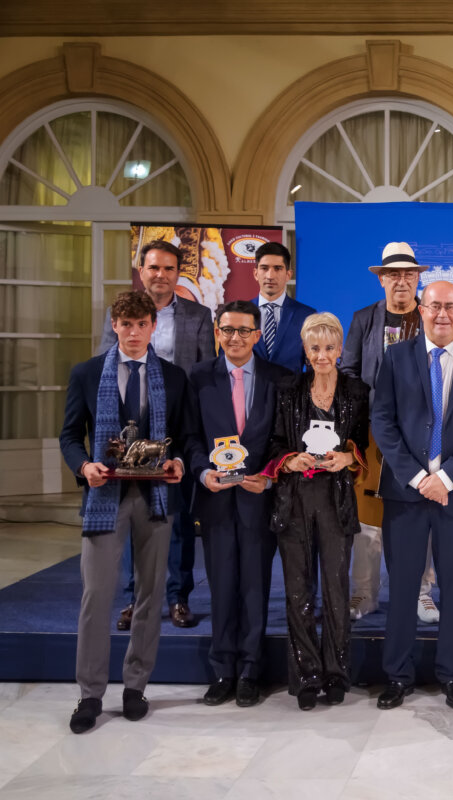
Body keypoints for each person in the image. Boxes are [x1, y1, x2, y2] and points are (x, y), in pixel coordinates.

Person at [59, 291, 192, 734]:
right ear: (113, 326)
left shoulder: (173, 378)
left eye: (141, 325)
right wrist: (83, 464)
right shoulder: (86, 373)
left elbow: (185, 437)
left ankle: (136, 686)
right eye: (125, 324)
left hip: (155, 498)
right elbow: (69, 436)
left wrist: (178, 464)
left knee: (151, 595)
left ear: (154, 327)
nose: (133, 333)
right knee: (97, 596)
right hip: (104, 497)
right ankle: (90, 694)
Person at [372, 282, 453, 711]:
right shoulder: (395, 357)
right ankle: (398, 675)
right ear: (420, 310)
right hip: (406, 494)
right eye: (434, 306)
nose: (442, 313)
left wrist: (447, 478)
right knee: (404, 587)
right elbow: (383, 421)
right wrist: (416, 476)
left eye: (451, 306)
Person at [101, 240, 213, 630]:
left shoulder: (198, 315)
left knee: (177, 518)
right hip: (132, 429)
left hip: (175, 428)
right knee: (135, 517)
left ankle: (177, 597)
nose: (160, 275)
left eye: (168, 268)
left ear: (178, 273)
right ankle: (134, 599)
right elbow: (106, 366)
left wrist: (191, 434)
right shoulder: (119, 313)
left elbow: (202, 375)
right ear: (141, 270)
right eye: (153, 268)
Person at [186, 300, 293, 707]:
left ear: (255, 334)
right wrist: (201, 472)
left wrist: (268, 474)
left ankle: (250, 669)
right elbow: (191, 438)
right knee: (221, 587)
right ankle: (222, 669)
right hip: (215, 499)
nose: (235, 338)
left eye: (244, 331)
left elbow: (284, 438)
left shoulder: (278, 379)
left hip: (258, 499)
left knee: (255, 587)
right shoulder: (197, 378)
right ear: (217, 332)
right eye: (227, 330)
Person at [262, 312, 370, 710]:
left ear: (340, 349)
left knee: (337, 592)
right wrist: (290, 461)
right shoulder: (287, 389)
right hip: (294, 502)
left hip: (337, 500)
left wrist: (348, 458)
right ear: (305, 351)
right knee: (298, 592)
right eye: (314, 348)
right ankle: (306, 677)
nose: (322, 356)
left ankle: (337, 673)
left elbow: (363, 443)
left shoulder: (358, 393)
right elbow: (273, 443)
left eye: (328, 348)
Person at [343, 241, 439, 625]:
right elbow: (349, 372)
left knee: (421, 514)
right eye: (393, 274)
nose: (402, 281)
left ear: (418, 278)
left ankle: (421, 592)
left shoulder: (432, 317)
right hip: (372, 434)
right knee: (367, 519)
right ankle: (363, 594)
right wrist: (377, 408)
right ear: (381, 279)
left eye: (409, 274)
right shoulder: (364, 318)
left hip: (422, 435)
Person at [252, 241, 317, 373]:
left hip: (291, 392)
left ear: (288, 274)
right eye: (264, 268)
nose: (270, 276)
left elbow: (314, 367)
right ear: (255, 273)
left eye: (277, 268)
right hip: (249, 393)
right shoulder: (239, 314)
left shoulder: (307, 316)